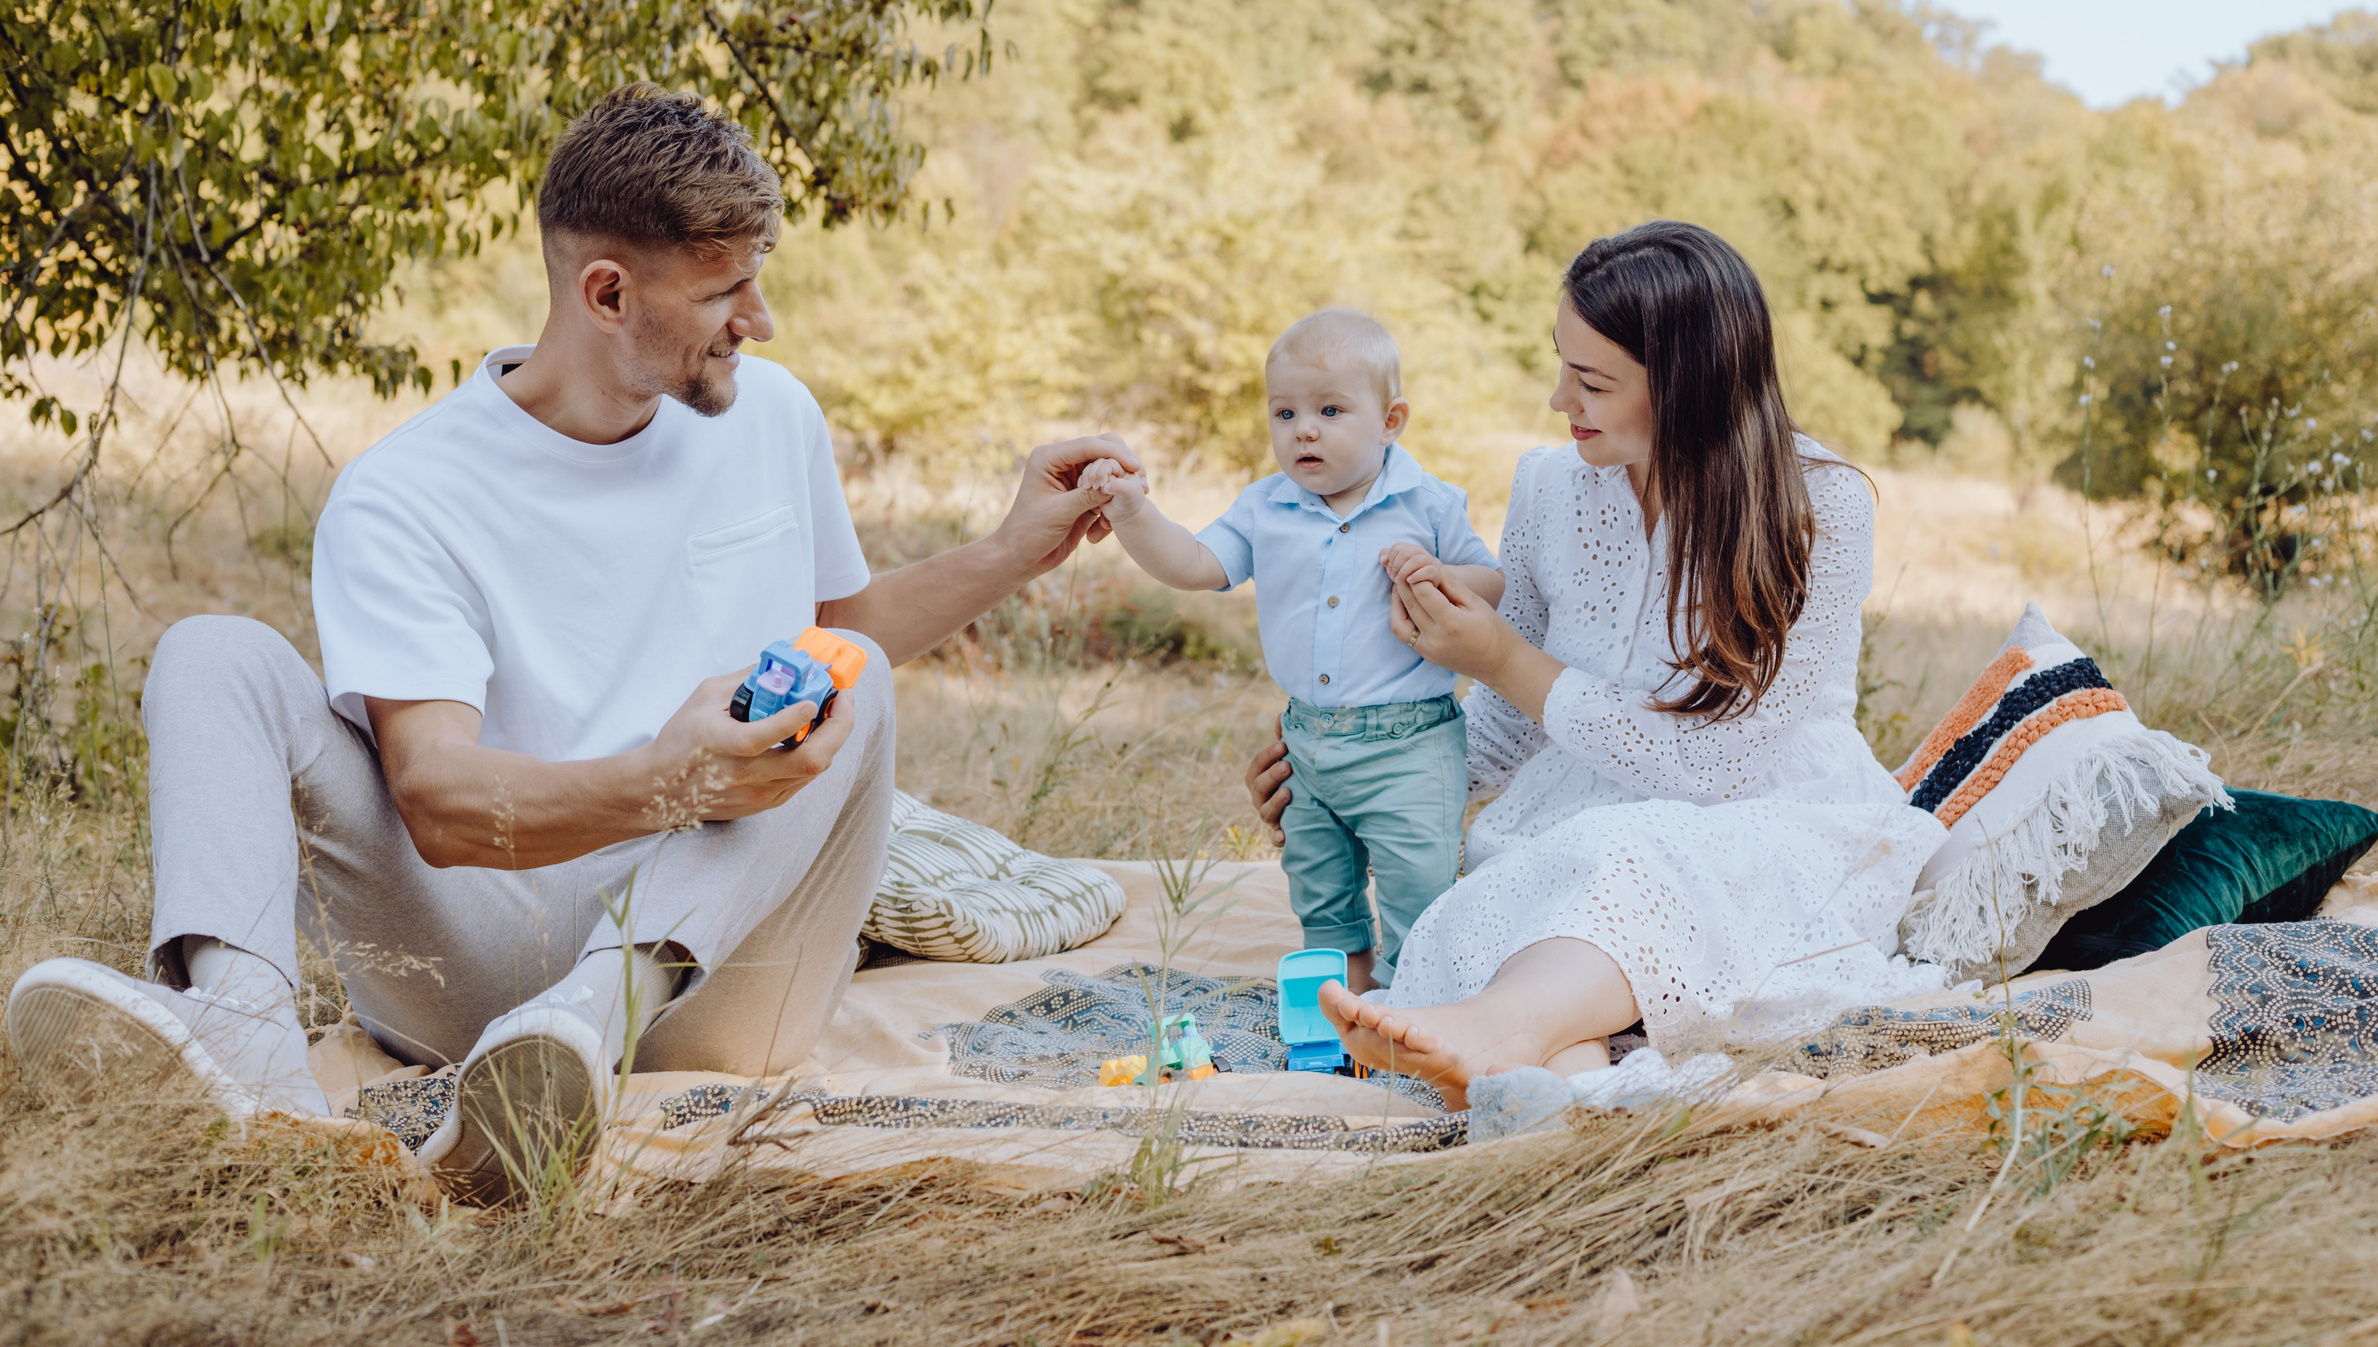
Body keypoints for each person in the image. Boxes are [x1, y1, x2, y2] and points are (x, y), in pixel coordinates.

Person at [4, 84, 1138, 1197]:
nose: (759, 319)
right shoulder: (406, 492)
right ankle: (247, 1055)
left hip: (724, 979)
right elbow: (439, 803)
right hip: (475, 960)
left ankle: (587, 1028)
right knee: (213, 652)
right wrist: (667, 780)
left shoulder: (772, 414)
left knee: (861, 680)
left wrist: (1009, 550)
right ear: (605, 292)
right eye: (724, 292)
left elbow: (836, 634)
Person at [1243, 222, 1948, 1107]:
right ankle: (1551, 1095)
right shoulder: (1549, 487)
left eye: (1593, 381)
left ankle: (1499, 1033)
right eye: (1560, 363)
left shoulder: (1820, 506)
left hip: (1766, 817)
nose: (1556, 398)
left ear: (1687, 388)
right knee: (1521, 887)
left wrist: (1502, 658)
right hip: (1575, 818)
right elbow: (1507, 726)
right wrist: (1360, 781)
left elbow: (1719, 765)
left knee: (1622, 858)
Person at [1085, 310, 1501, 991]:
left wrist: (1441, 576)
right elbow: (1194, 561)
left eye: (1331, 409)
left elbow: (1492, 583)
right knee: (1318, 883)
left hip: (1410, 745)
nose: (1303, 428)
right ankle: (1345, 996)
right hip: (1306, 741)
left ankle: (1417, 1002)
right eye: (1284, 413)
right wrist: (1132, 511)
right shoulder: (1265, 507)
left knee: (1417, 881)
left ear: (1391, 420)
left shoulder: (1428, 505)